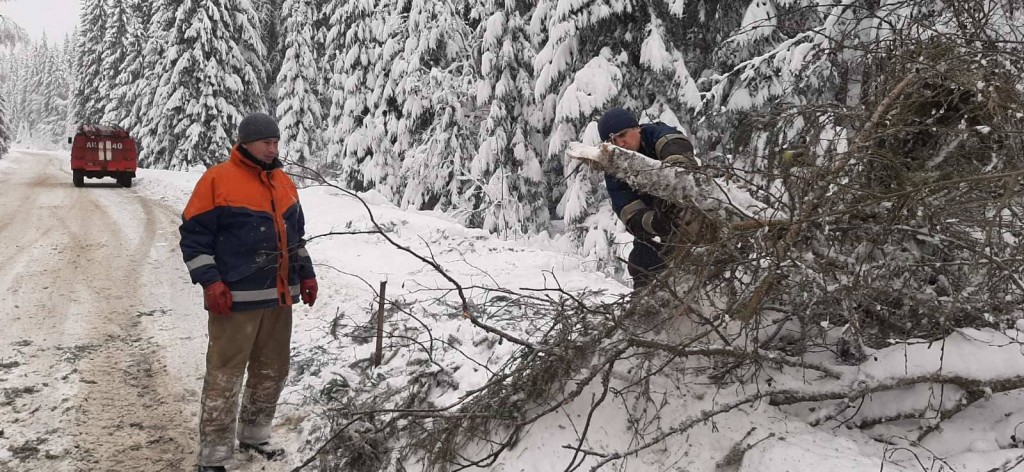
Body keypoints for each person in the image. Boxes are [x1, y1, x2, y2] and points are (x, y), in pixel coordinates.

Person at [179, 112, 317, 472]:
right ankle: (213, 454)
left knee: (271, 370)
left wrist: (307, 274)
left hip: (279, 299)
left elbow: (296, 237)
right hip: (234, 301)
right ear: (246, 143)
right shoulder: (217, 180)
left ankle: (255, 434)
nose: (273, 149)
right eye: (266, 142)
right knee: (225, 374)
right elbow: (194, 238)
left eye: (276, 142)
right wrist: (211, 281)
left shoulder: (285, 183)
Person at [597, 107, 716, 289]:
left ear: (637, 128)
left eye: (623, 135)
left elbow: (675, 144)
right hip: (659, 229)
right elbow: (628, 212)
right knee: (641, 265)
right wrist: (656, 222)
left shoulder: (655, 133)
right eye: (612, 141)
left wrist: (675, 173)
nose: (620, 144)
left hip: (698, 212)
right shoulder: (613, 168)